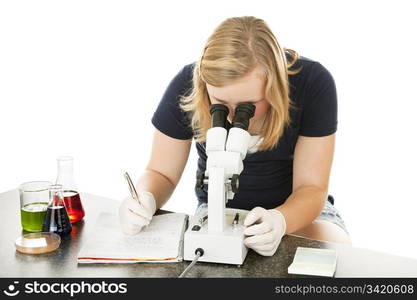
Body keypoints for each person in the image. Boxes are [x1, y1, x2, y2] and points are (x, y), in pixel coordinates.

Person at [119, 16, 351, 257]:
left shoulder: (311, 83)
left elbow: (311, 188)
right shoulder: (187, 84)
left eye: (248, 105)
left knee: (334, 256)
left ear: (275, 86)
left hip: (294, 211)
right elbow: (161, 173)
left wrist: (280, 221)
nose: (231, 115)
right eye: (219, 103)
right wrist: (144, 199)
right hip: (218, 212)